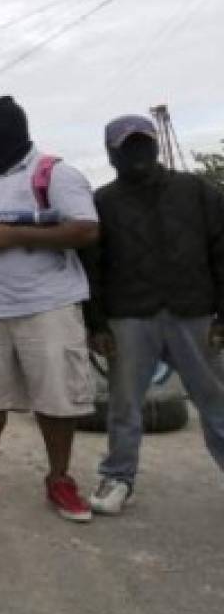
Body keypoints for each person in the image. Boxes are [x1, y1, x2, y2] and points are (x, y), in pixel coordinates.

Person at [0, 96, 100, 522]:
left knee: (56, 396)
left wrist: (18, 236)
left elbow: (86, 228)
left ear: (8, 132)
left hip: (48, 303)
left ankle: (60, 479)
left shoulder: (53, 173)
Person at [87, 114, 224, 515]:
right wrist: (95, 324)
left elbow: (222, 251)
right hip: (129, 316)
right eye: (127, 146)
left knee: (215, 400)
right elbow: (92, 266)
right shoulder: (103, 201)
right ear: (112, 152)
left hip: (194, 311)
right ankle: (118, 478)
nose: (137, 153)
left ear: (156, 145)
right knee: (124, 405)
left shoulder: (196, 191)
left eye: (143, 143)